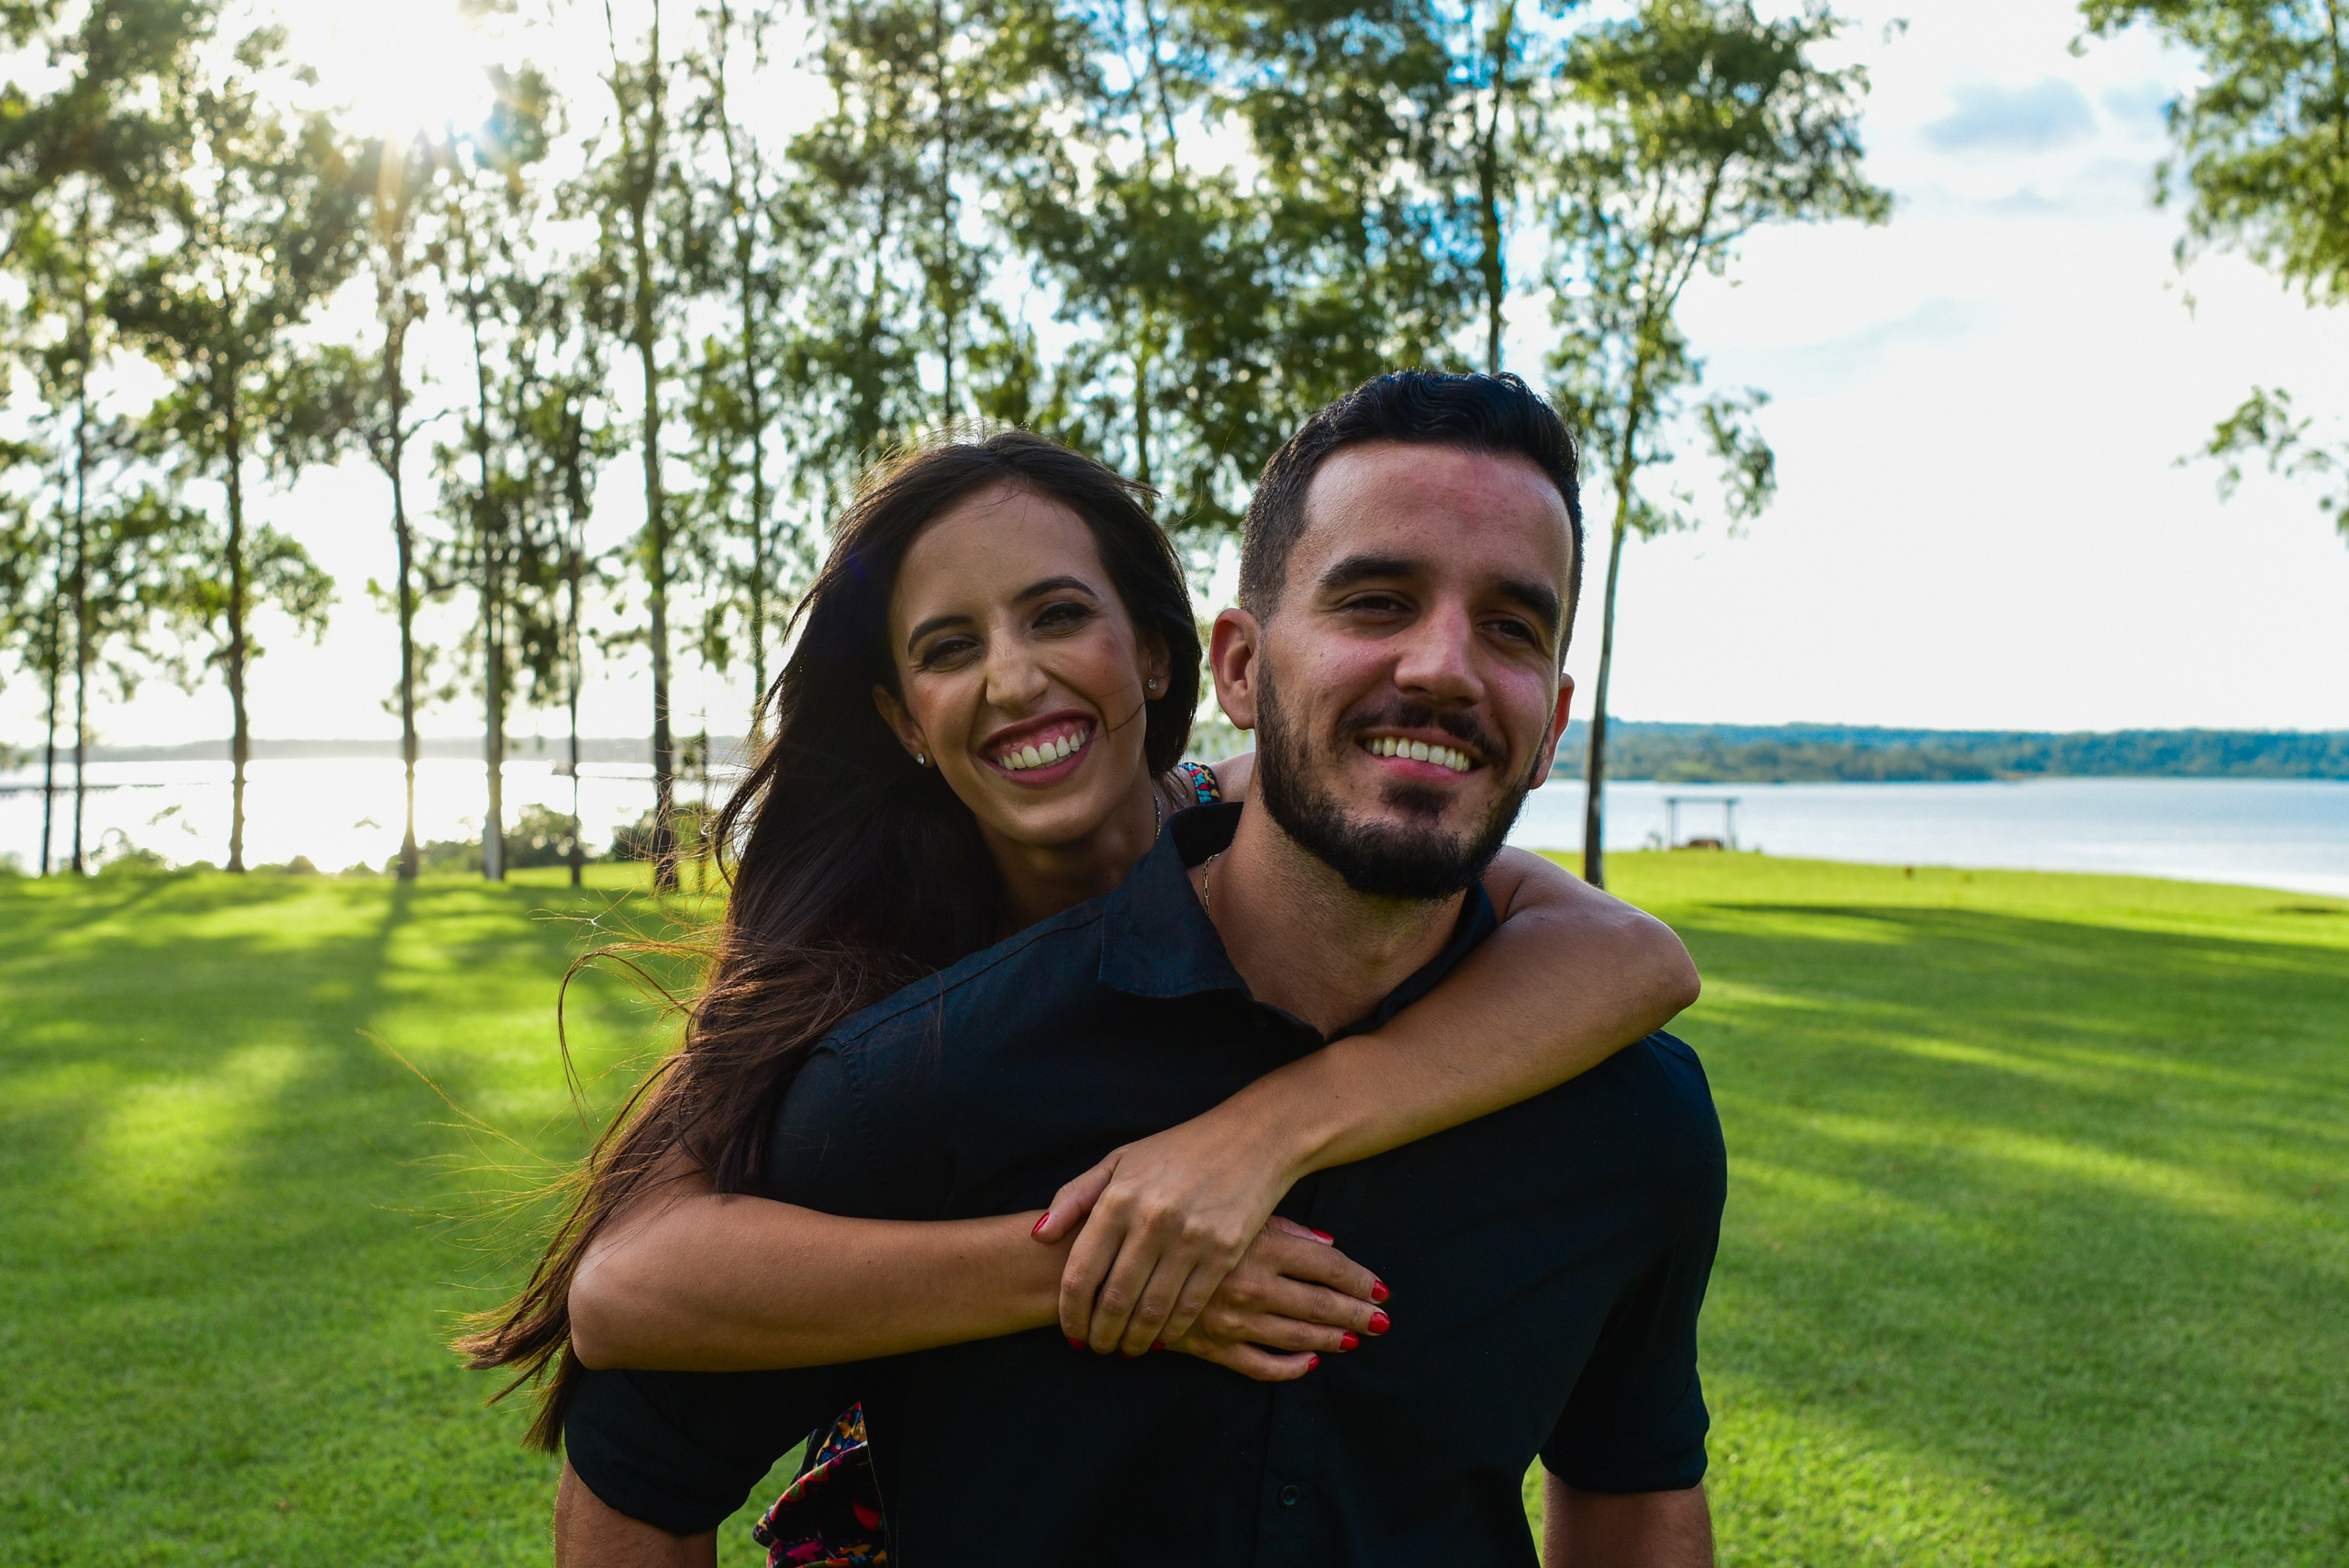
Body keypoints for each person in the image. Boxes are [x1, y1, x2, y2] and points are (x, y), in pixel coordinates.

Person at [551, 372, 1726, 1566]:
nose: (1015, 679)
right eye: (1376, 600)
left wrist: (1269, 1130)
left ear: (1163, 660)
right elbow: (626, 1301)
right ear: (1240, 662)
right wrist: (1097, 1255)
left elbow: (1631, 956)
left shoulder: (1603, 1094)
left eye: (1057, 616)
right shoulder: (894, 1028)